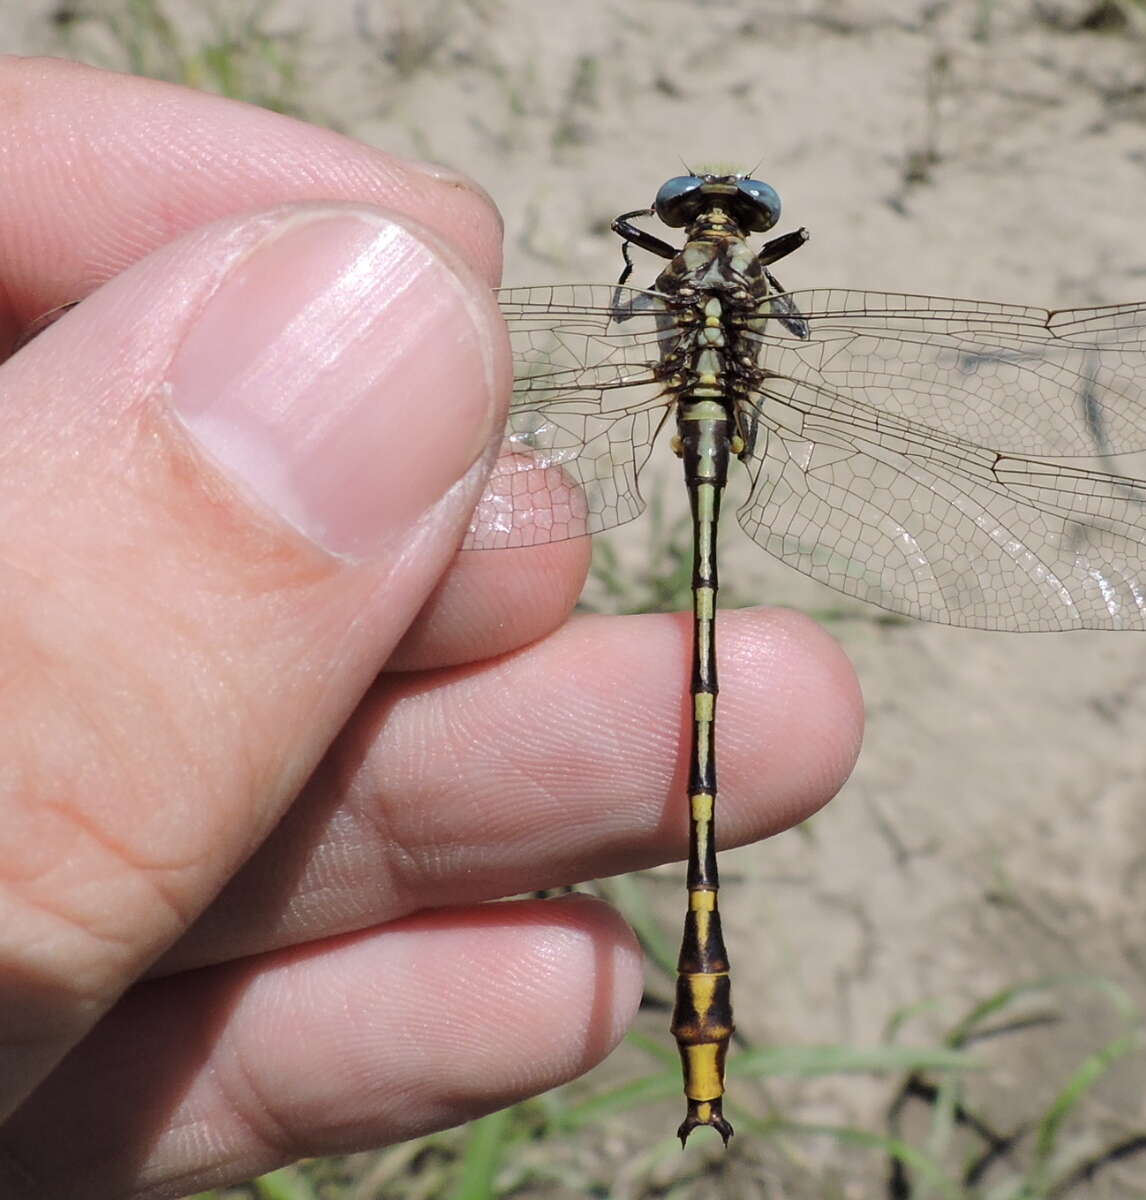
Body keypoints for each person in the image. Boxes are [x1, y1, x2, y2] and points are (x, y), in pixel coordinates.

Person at [0, 56, 862, 1199]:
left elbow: (623, 306)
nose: (710, 224)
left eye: (727, 213)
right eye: (700, 214)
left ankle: (689, 1037)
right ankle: (706, 1040)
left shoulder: (665, 275)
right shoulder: (753, 285)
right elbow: (778, 324)